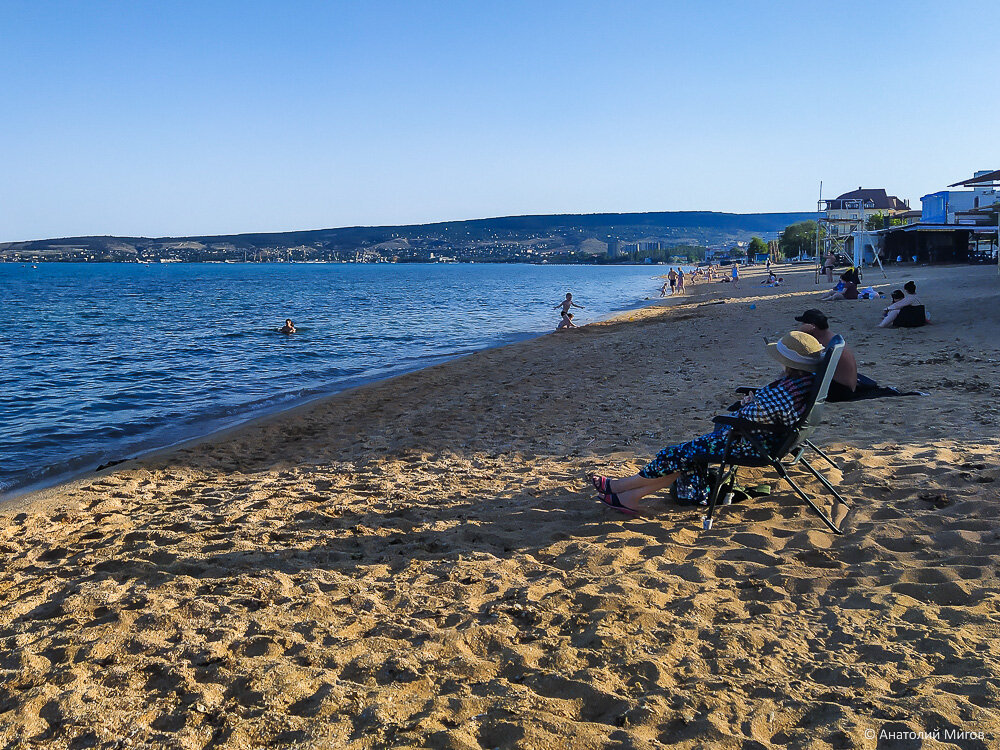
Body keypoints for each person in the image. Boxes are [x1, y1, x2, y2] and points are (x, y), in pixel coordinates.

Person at [589, 331, 823, 513]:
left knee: (674, 454)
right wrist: (756, 401)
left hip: (753, 443)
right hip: (769, 439)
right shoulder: (801, 385)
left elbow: (747, 417)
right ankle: (631, 496)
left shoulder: (783, 393)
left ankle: (620, 487)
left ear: (788, 363)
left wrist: (747, 404)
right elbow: (768, 411)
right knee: (687, 457)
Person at [794, 309, 859, 400]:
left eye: (803, 324)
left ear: (812, 327)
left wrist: (800, 333)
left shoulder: (821, 343)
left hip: (842, 391)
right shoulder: (832, 337)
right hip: (848, 386)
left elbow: (794, 351)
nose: (802, 326)